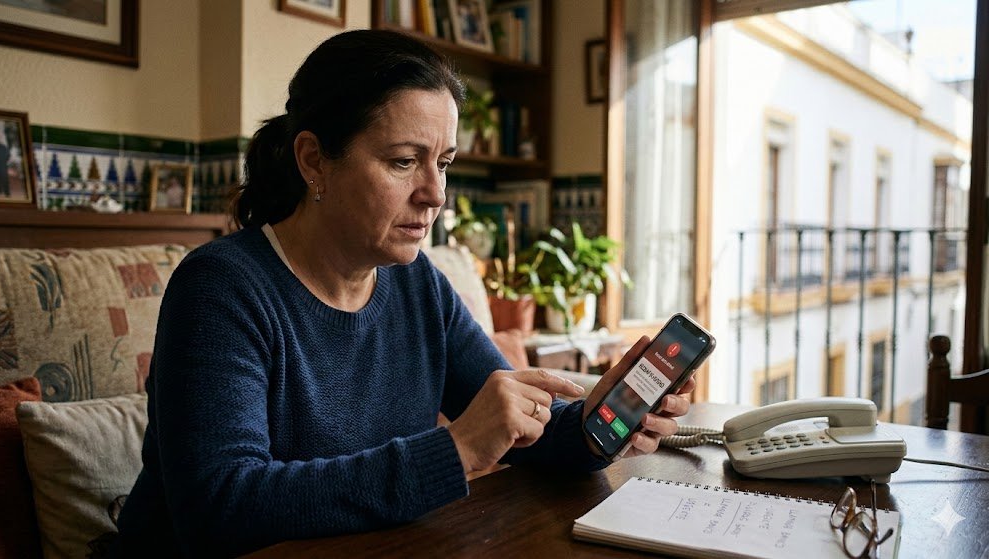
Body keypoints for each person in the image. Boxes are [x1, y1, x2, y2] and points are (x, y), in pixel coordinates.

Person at [112, 30, 694, 558]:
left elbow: (520, 433)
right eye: (403, 161)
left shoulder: (418, 284)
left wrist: (604, 419)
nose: (435, 193)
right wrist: (457, 451)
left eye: (443, 162)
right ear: (314, 160)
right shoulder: (220, 288)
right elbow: (220, 507)